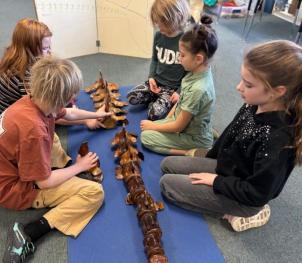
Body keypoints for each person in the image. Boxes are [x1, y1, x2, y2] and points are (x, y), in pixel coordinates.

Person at [160, 40, 302, 232]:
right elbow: (230, 133)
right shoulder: (255, 102)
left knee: (167, 187)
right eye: (242, 79)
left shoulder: (278, 140)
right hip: (230, 169)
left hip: (247, 197)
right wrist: (211, 159)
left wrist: (216, 181)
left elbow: (258, 193)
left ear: (277, 92)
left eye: (248, 84)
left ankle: (248, 214)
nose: (238, 87)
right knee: (167, 165)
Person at [0, 56, 111, 262]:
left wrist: (95, 115)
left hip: (1, 173)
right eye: (71, 94)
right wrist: (79, 167)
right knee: (94, 193)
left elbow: (67, 114)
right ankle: (29, 233)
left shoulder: (34, 101)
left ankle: (66, 170)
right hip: (13, 190)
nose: (73, 98)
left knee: (51, 134)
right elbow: (44, 181)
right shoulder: (34, 131)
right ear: (62, 96)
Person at [0, 18, 104, 169]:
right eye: (45, 49)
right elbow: (52, 114)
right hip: (18, 123)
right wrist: (86, 121)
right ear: (30, 49)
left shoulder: (16, 56)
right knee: (49, 137)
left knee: (62, 97)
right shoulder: (25, 79)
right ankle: (61, 168)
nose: (50, 52)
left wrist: (91, 115)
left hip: (17, 113)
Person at [140, 15, 218, 155]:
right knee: (151, 126)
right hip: (185, 123)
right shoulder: (196, 71)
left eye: (182, 55)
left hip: (191, 135)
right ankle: (208, 134)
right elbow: (180, 101)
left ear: (198, 59)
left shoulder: (198, 89)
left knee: (146, 137)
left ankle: (195, 151)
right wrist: (167, 119)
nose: (179, 58)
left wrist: (154, 125)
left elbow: (179, 126)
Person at [127, 0, 191, 121]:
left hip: (172, 89)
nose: (159, 27)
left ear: (176, 18)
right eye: (157, 23)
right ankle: (156, 97)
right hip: (157, 82)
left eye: (162, 24)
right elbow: (155, 59)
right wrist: (151, 77)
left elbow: (190, 72)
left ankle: (160, 101)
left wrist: (179, 92)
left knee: (153, 115)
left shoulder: (186, 40)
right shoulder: (158, 36)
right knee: (131, 97)